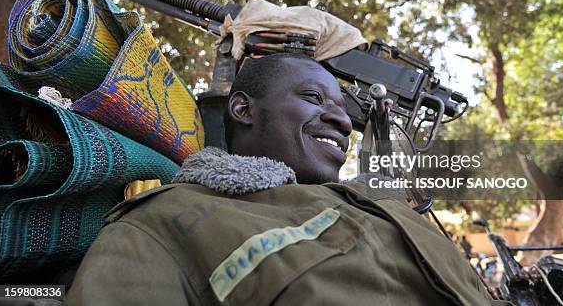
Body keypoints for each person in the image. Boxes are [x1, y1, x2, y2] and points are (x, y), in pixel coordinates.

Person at [66, 53, 506, 305]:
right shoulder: (167, 220)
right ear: (243, 110)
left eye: (345, 110)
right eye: (315, 98)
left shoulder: (384, 207)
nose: (342, 121)